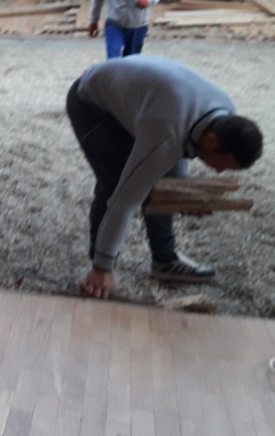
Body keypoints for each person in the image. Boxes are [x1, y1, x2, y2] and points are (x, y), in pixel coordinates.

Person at [65, 55, 263, 299]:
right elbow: (123, 203)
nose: (220, 171)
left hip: (148, 104)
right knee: (116, 185)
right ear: (212, 141)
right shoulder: (166, 131)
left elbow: (181, 148)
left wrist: (181, 194)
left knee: (165, 186)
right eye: (223, 164)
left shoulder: (225, 112)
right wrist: (102, 267)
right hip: (92, 102)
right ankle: (98, 270)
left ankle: (165, 260)